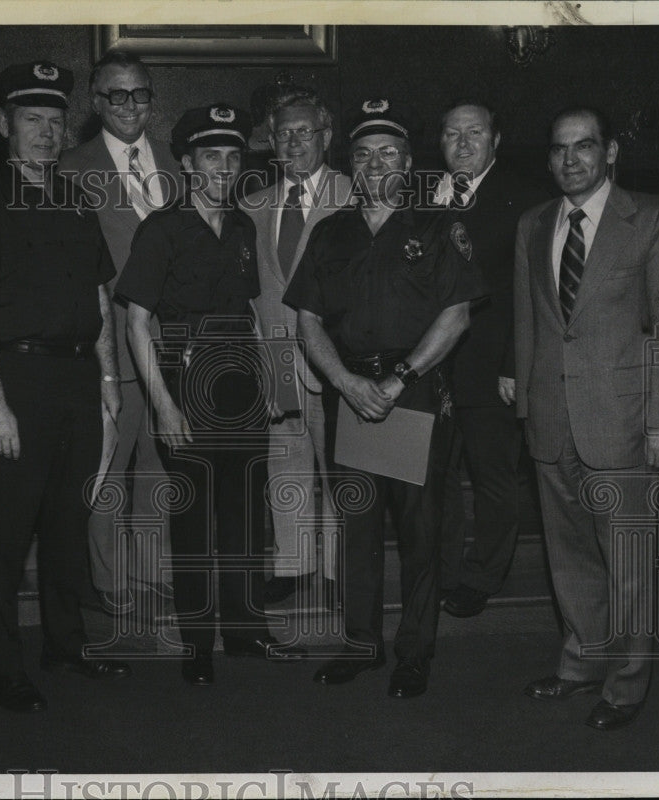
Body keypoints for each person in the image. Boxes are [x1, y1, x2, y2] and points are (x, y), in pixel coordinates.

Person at [284, 98, 483, 697]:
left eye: (388, 153)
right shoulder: (330, 230)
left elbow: (457, 314)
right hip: (351, 394)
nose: (376, 165)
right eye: (365, 154)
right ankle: (361, 644)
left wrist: (397, 379)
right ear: (351, 163)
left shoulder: (437, 226)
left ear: (408, 161)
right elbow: (308, 321)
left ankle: (415, 652)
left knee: (420, 534)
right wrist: (346, 384)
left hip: (413, 396)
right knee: (358, 529)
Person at [0, 61, 130, 715]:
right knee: (4, 537)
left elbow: (100, 298)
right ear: (4, 127)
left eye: (56, 122)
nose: (46, 134)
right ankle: (2, 666)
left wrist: (108, 380)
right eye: (33, 121)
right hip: (16, 382)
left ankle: (66, 645)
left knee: (67, 525)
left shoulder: (77, 200)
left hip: (79, 381)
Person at [515, 106, 659, 730]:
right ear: (548, 159)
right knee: (569, 560)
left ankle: (626, 686)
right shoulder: (534, 224)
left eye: (585, 146)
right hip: (551, 420)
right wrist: (528, 404)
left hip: (624, 421)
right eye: (560, 149)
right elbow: (529, 323)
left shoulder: (649, 217)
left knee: (629, 564)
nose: (572, 160)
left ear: (610, 151)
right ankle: (579, 665)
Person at [116, 103, 306, 686]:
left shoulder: (244, 226)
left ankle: (248, 633)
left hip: (242, 382)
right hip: (185, 383)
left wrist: (271, 384)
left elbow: (249, 313)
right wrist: (164, 405)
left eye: (232, 157)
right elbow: (135, 321)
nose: (224, 167)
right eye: (211, 157)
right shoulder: (162, 230)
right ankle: (197, 644)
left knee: (246, 516)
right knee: (194, 521)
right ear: (187, 163)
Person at [57, 50, 179, 614]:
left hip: (172, 349)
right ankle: (108, 582)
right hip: (111, 351)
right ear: (95, 101)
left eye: (140, 94)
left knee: (161, 467)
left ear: (152, 99)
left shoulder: (179, 162)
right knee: (107, 470)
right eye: (116, 94)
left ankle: (154, 571)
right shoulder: (69, 169)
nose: (130, 105)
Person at [435, 101, 548, 617]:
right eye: (452, 134)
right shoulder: (423, 195)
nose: (462, 144)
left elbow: (531, 293)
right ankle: (443, 566)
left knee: (492, 476)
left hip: (491, 366)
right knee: (437, 475)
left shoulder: (526, 200)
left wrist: (513, 364)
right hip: (431, 364)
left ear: (496, 140)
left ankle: (483, 575)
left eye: (474, 132)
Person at [244, 87, 351, 607]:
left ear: (326, 137)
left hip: (335, 362)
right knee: (283, 464)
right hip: (275, 361)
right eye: (282, 132)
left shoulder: (355, 196)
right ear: (269, 141)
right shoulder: (251, 206)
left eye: (304, 131)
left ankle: (337, 571)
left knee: (338, 466)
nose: (292, 141)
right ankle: (292, 566)